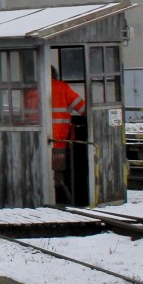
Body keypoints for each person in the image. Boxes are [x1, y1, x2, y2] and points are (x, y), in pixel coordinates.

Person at [50, 67, 85, 203]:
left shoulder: (33, 90)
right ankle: (63, 198)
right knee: (58, 170)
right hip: (60, 139)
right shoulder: (62, 88)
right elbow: (82, 108)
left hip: (38, 141)